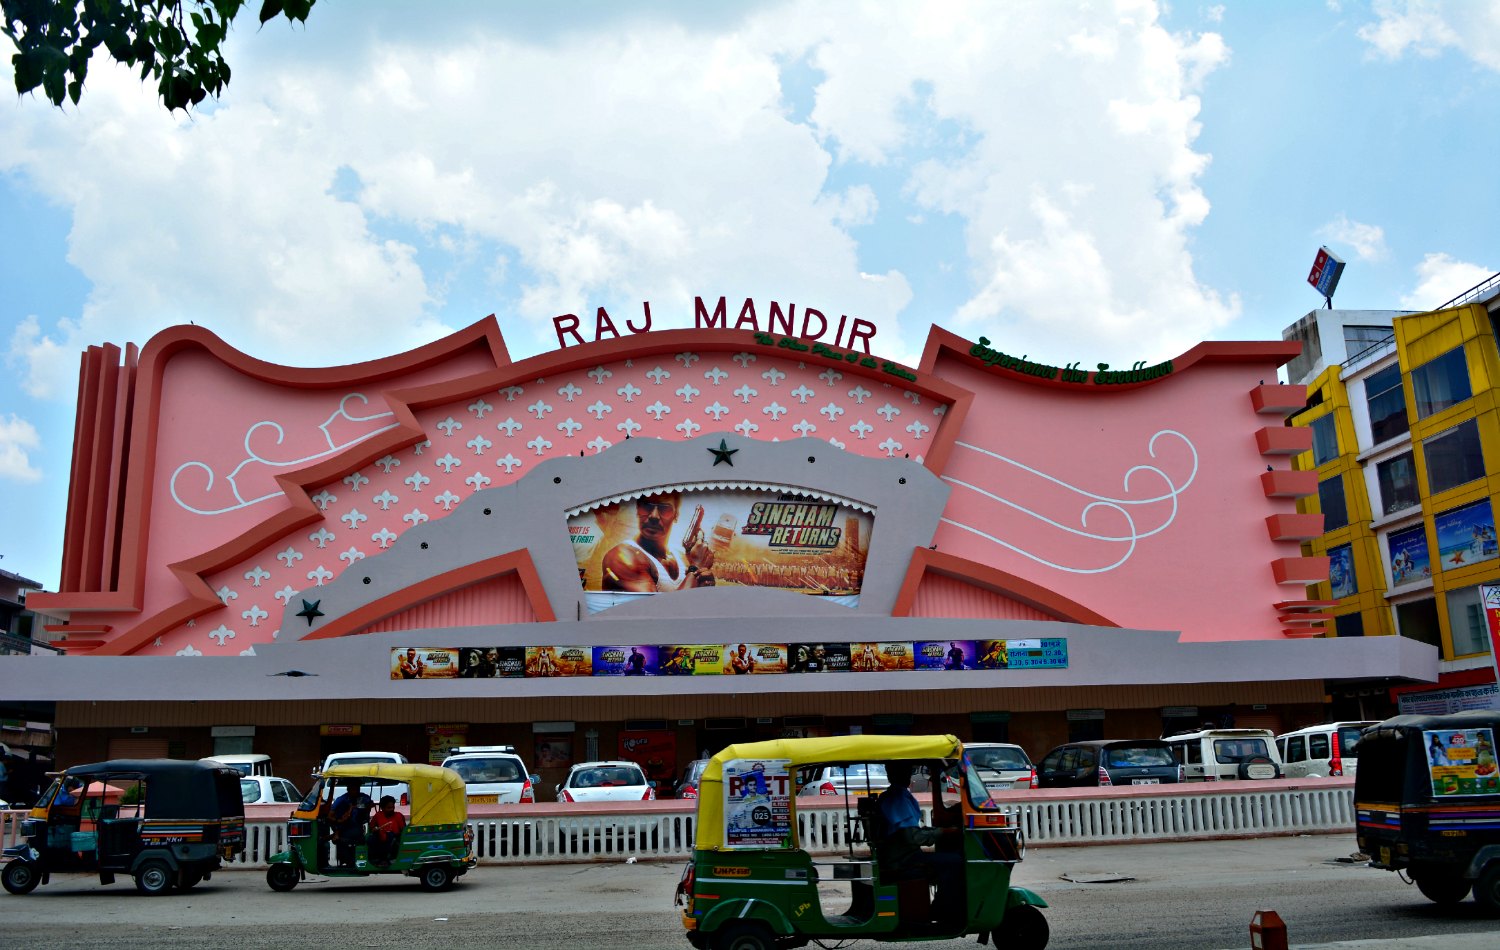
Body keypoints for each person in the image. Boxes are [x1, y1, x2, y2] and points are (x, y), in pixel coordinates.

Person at [876, 762, 963, 926]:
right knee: (955, 862)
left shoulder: (894, 795)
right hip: (902, 860)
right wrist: (944, 832)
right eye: (905, 770)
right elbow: (913, 837)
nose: (908, 774)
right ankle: (943, 911)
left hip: (901, 855)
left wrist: (938, 831)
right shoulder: (898, 798)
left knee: (948, 860)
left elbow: (912, 831)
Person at [600, 493, 715, 592]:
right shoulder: (621, 557)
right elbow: (658, 608)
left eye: (664, 509)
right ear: (638, 510)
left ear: (676, 515)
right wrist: (695, 567)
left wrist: (702, 583)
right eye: (647, 506)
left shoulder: (681, 558)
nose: (654, 516)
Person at [330, 780, 374, 867]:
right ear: (348, 789)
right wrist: (339, 821)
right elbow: (330, 816)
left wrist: (367, 807)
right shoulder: (341, 800)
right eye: (353, 789)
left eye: (357, 789)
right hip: (344, 827)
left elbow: (370, 807)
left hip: (358, 826)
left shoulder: (364, 798)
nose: (356, 791)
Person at [367, 795, 406, 866]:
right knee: (372, 839)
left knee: (390, 837)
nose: (391, 809)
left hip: (394, 838)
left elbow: (403, 830)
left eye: (393, 807)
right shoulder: (378, 815)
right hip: (380, 837)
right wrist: (374, 829)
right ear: (382, 808)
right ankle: (376, 859)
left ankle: (386, 859)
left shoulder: (398, 815)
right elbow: (371, 827)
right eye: (389, 808)